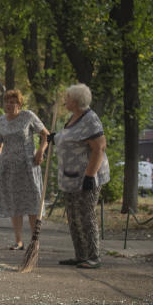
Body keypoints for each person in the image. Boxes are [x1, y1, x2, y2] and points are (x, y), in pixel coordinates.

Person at [53, 83, 109, 269]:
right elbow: (70, 138)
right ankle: (81, 255)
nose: (65, 100)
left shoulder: (90, 119)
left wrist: (90, 175)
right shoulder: (72, 118)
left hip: (87, 176)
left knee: (86, 216)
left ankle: (93, 257)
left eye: (67, 98)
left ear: (76, 101)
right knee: (73, 216)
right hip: (69, 177)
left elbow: (99, 147)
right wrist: (54, 138)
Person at [0, 89, 49, 250]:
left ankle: (35, 241)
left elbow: (45, 135)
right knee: (15, 204)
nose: (10, 105)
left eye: (13, 102)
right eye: (7, 102)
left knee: (33, 203)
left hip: (28, 165)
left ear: (19, 104)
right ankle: (18, 241)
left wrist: (41, 152)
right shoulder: (1, 121)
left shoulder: (28, 116)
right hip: (9, 168)